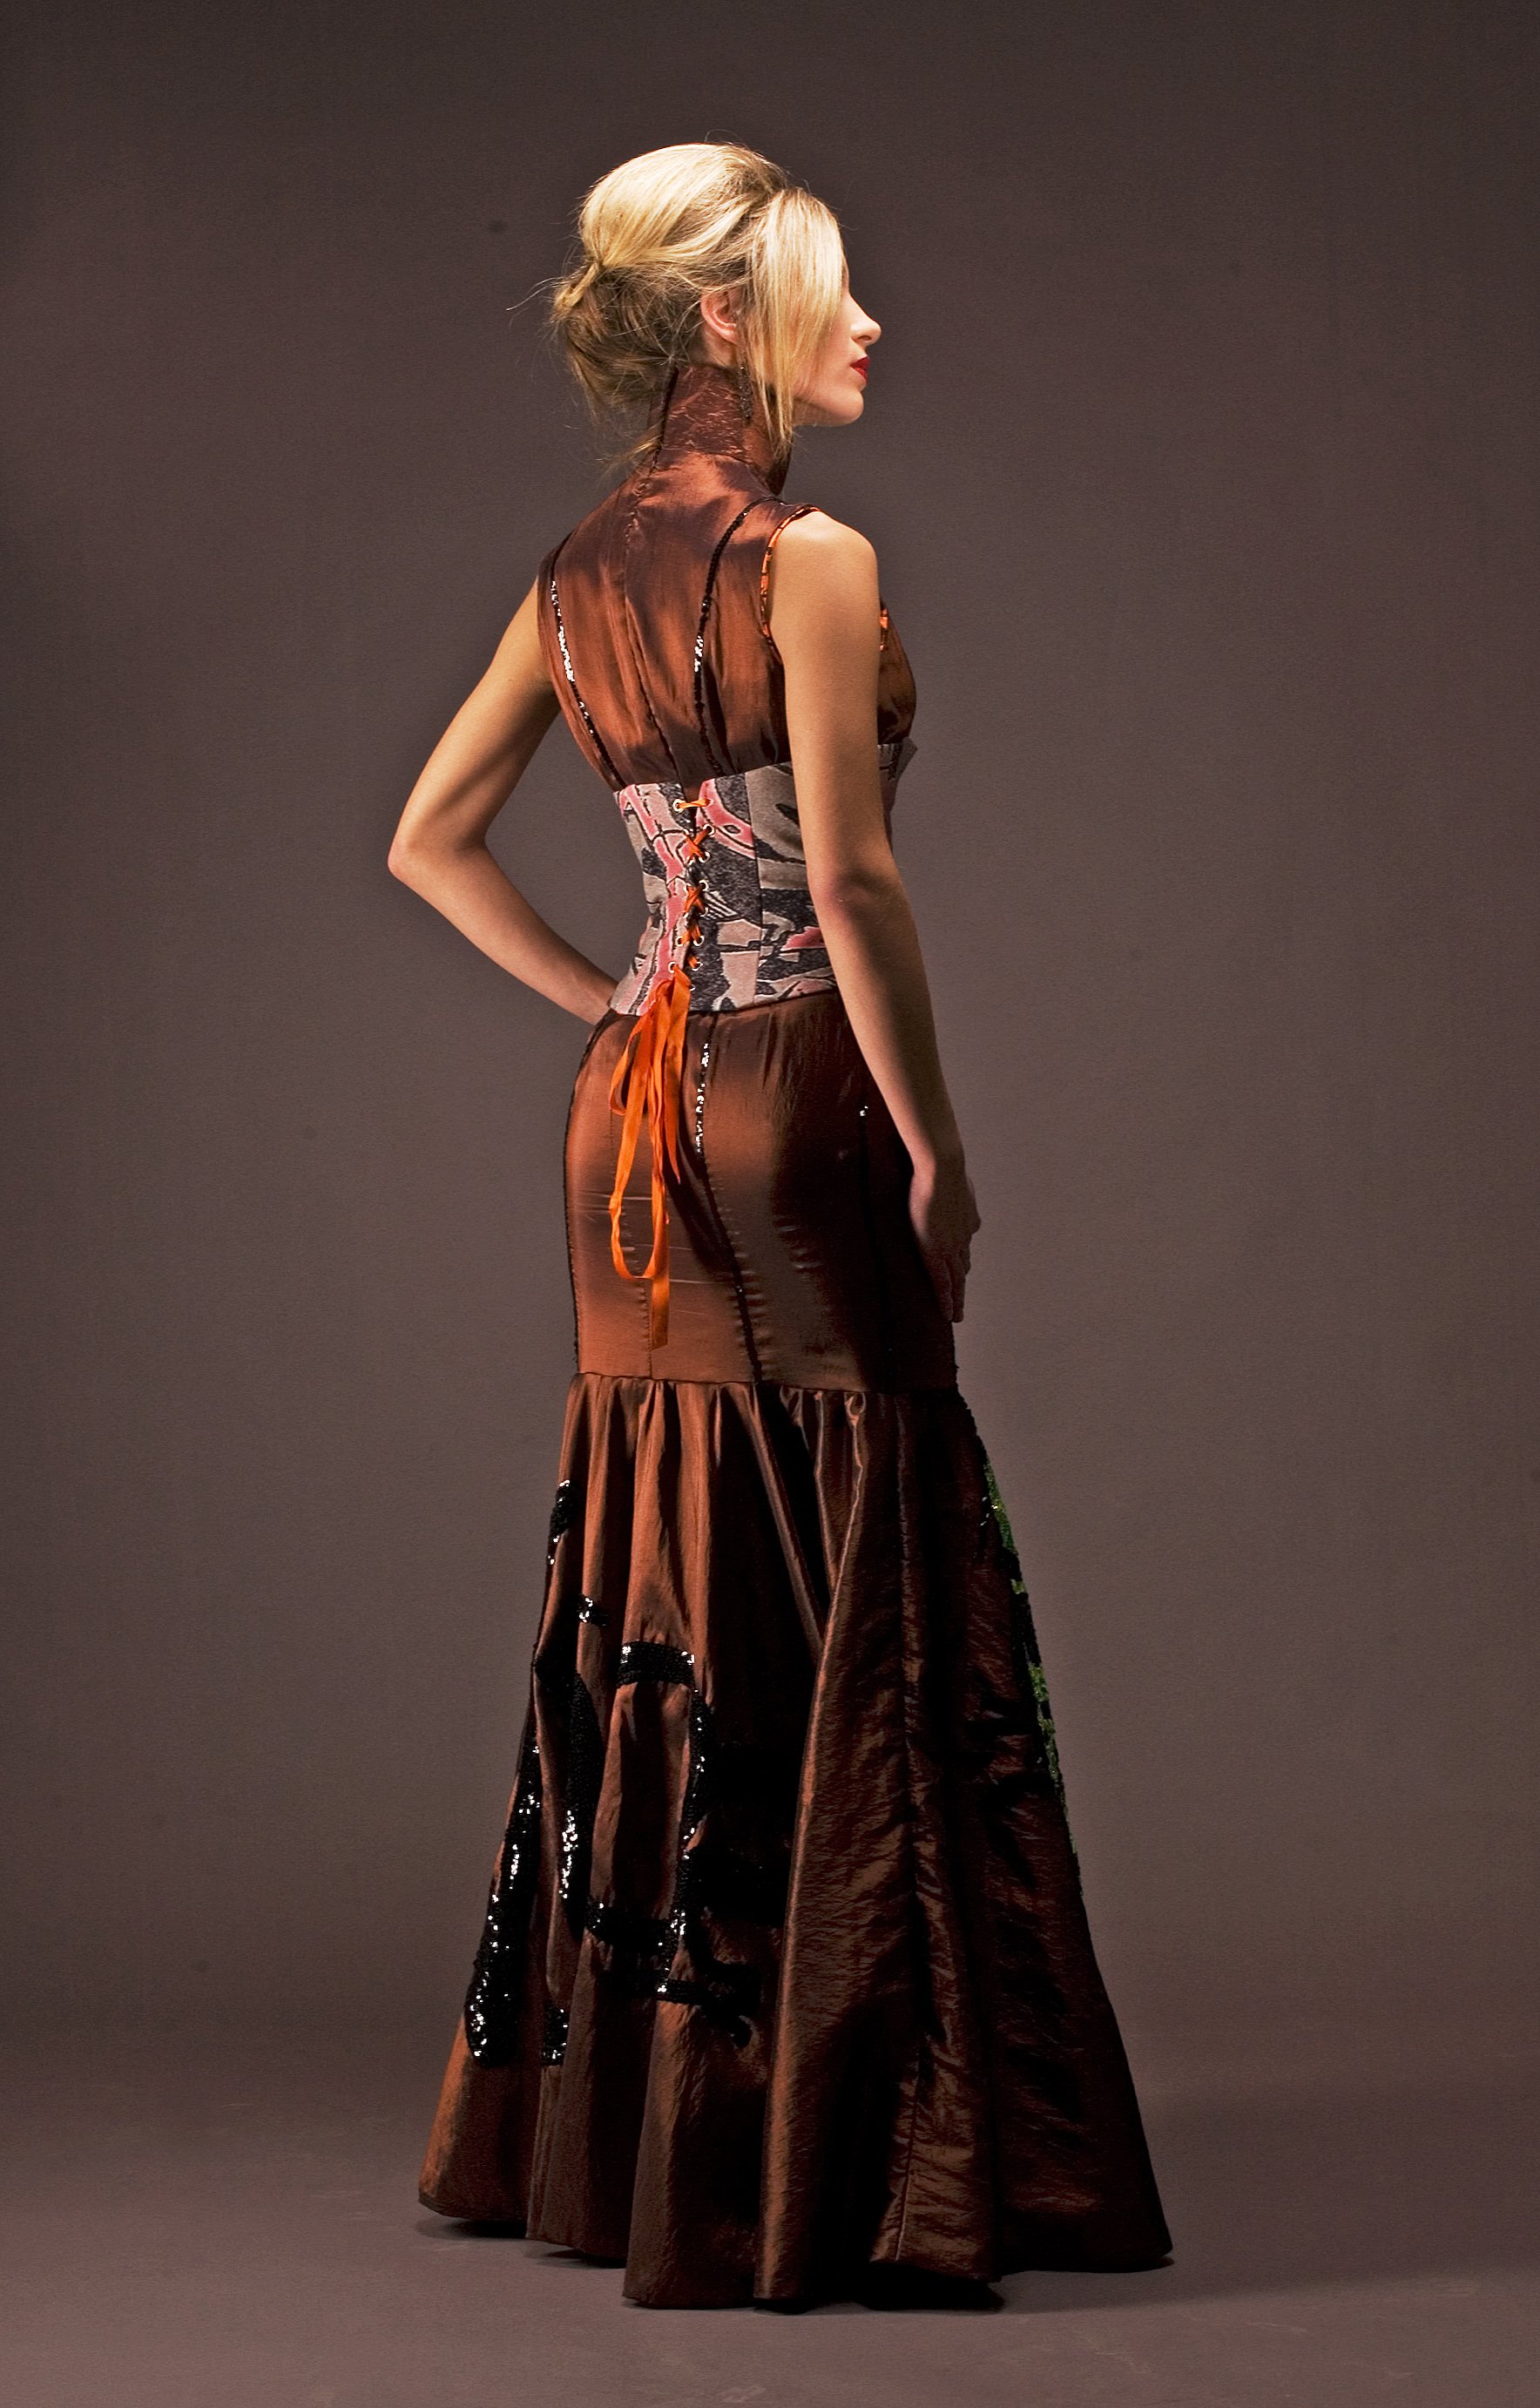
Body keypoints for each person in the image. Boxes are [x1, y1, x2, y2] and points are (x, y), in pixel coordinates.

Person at [391, 140, 1170, 2312]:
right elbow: (849, 886)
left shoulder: (569, 571)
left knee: (668, 1561)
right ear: (724, 317)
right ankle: (876, 2144)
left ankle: (634, 2130)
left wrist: (614, 994)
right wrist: (941, 1145)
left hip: (625, 1131)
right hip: (794, 1103)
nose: (873, 323)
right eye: (836, 288)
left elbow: (424, 838)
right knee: (861, 1560)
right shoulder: (806, 556)